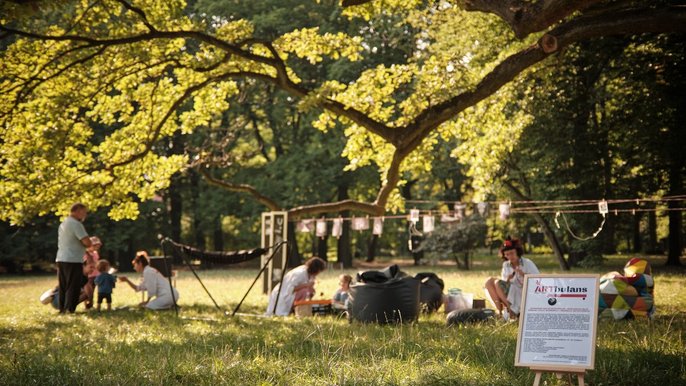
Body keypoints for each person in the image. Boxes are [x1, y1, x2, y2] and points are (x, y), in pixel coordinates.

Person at [55, 203, 99, 313]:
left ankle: (62, 309)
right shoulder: (76, 224)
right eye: (84, 212)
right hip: (73, 259)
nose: (85, 215)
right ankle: (70, 309)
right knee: (73, 286)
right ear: (77, 210)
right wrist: (88, 245)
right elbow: (87, 242)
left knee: (63, 286)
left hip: (61, 258)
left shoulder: (64, 224)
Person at [484, 237, 539, 319]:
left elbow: (538, 280)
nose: (510, 256)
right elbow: (503, 283)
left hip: (523, 291)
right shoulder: (506, 265)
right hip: (510, 292)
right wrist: (508, 279)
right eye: (507, 254)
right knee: (489, 281)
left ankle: (512, 312)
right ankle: (499, 312)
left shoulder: (527, 263)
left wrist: (524, 274)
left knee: (497, 282)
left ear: (517, 252)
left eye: (512, 253)